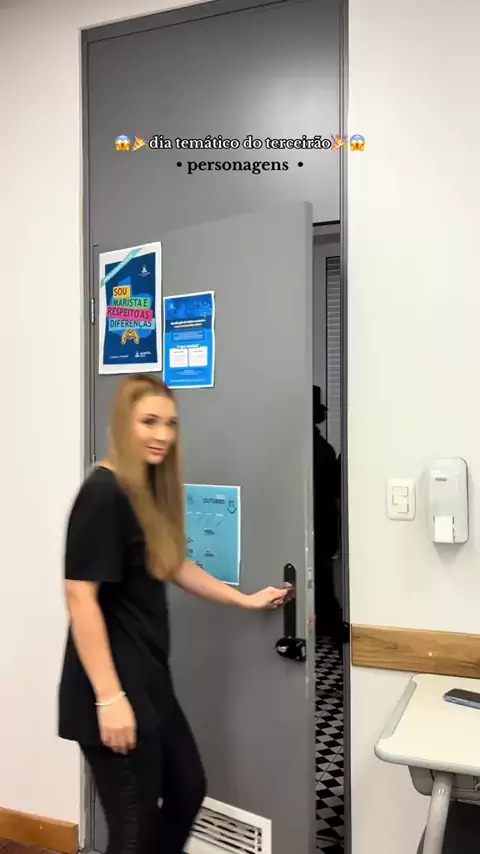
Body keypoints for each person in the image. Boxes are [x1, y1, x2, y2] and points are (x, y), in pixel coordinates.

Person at [58, 374, 289, 854]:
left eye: (170, 423)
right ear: (123, 423)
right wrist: (109, 698)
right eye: (149, 421)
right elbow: (80, 597)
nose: (162, 434)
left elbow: (173, 564)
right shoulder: (102, 494)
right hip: (114, 688)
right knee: (134, 832)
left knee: (187, 790)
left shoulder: (142, 489)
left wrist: (244, 599)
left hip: (150, 682)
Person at [312, 386, 343, 655]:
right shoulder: (322, 448)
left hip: (316, 526)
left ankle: (331, 627)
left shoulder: (306, 446)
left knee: (319, 583)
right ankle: (334, 629)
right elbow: (335, 489)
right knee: (322, 582)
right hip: (322, 527)